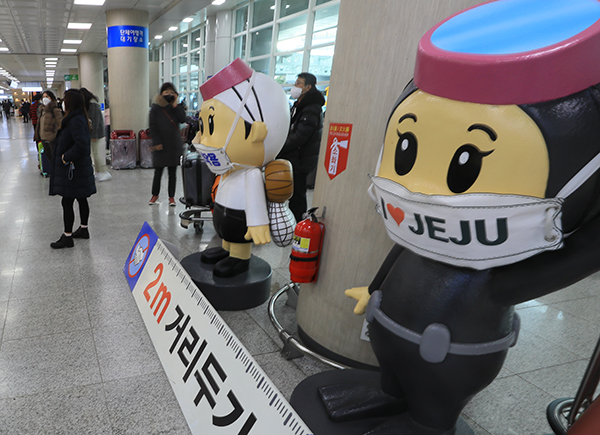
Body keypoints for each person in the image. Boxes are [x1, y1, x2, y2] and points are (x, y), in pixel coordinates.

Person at [49, 89, 96, 249]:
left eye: (65, 99)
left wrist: (65, 157)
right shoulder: (79, 117)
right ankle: (83, 229)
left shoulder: (75, 120)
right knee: (82, 198)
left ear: (70, 103)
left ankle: (67, 237)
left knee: (67, 201)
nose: (62, 102)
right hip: (79, 169)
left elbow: (82, 146)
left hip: (74, 170)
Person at [277, 73, 325, 222]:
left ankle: (298, 224)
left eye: (299, 83)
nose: (295, 86)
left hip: (301, 159)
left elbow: (300, 137)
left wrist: (280, 147)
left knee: (298, 195)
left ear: (308, 87)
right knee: (292, 193)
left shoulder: (311, 108)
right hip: (294, 157)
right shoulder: (298, 105)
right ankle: (291, 221)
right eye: (296, 83)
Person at [148, 82, 186, 206]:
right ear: (161, 94)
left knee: (172, 173)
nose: (168, 94)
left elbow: (182, 119)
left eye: (171, 92)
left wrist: (175, 104)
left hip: (173, 145)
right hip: (161, 145)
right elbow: (152, 126)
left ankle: (171, 197)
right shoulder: (156, 108)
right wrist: (156, 142)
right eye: (166, 92)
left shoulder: (176, 108)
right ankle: (155, 195)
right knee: (158, 172)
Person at [80, 88, 110, 182]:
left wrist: (94, 136)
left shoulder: (93, 106)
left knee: (98, 154)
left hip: (98, 135)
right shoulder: (88, 106)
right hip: (92, 135)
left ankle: (104, 172)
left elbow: (96, 122)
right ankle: (98, 172)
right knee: (95, 154)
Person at [35, 90, 62, 162]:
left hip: (52, 139)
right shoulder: (41, 110)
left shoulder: (55, 110)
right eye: (43, 97)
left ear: (51, 98)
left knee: (55, 158)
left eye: (47, 96)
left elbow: (60, 124)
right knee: (49, 158)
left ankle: (56, 172)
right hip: (43, 138)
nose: (45, 99)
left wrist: (55, 135)